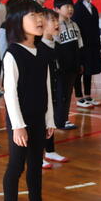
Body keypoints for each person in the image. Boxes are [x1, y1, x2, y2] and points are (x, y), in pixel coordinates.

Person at [1, 0, 61, 201]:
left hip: (39, 118)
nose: (39, 20)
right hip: (20, 121)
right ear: (18, 22)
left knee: (36, 164)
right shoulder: (13, 53)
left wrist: (49, 119)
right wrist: (18, 125)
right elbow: (10, 94)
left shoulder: (41, 51)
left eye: (40, 15)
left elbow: (47, 88)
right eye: (33, 16)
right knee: (16, 166)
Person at [40, 9, 69, 168]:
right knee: (41, 122)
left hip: (54, 89)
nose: (57, 24)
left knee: (50, 120)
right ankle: (38, 154)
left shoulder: (56, 45)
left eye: (57, 20)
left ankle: (50, 150)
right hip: (42, 92)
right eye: (53, 21)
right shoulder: (39, 47)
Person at [72, 0, 101, 107]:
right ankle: (79, 97)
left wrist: (98, 45)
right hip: (81, 45)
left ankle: (87, 96)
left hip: (92, 45)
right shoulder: (77, 8)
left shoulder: (93, 8)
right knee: (79, 71)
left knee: (88, 71)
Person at [53, 0, 82, 124]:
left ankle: (64, 118)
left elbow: (79, 44)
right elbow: (55, 47)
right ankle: (59, 120)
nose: (70, 9)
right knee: (60, 94)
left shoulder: (74, 24)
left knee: (68, 93)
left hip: (73, 65)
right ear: (57, 9)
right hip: (61, 66)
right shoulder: (55, 26)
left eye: (71, 6)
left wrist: (80, 63)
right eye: (67, 6)